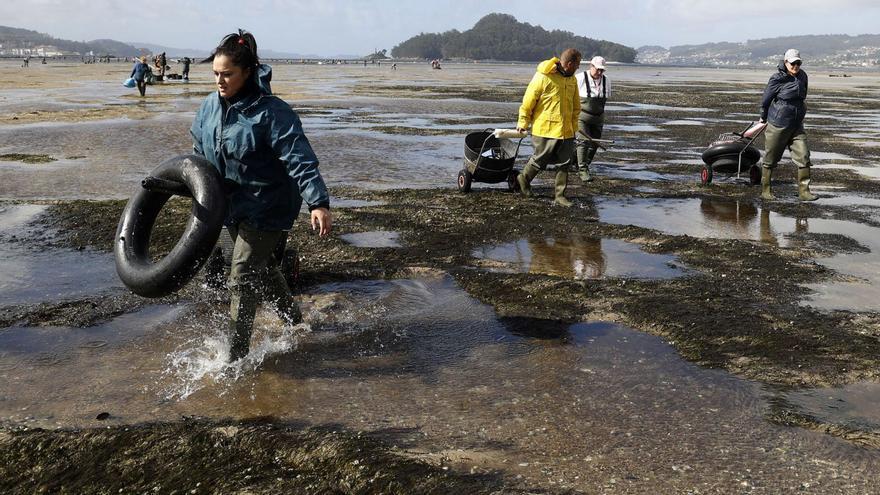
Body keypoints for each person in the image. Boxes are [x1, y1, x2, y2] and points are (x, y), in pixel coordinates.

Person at [190, 29, 332, 363]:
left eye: (228, 74)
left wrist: (318, 202)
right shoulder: (209, 107)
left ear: (248, 72)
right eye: (215, 74)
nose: (220, 81)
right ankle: (296, 324)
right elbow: (198, 150)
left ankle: (235, 358)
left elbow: (300, 158)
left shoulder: (271, 112)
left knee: (241, 273)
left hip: (270, 205)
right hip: (233, 205)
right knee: (264, 267)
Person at [516, 48, 581, 207]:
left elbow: (576, 106)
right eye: (577, 64)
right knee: (539, 160)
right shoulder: (543, 76)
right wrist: (523, 122)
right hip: (545, 128)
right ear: (569, 64)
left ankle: (560, 196)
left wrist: (574, 127)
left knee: (565, 162)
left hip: (566, 131)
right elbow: (528, 101)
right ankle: (523, 179)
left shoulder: (572, 79)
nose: (579, 68)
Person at [759, 48, 817, 201]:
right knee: (771, 158)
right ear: (785, 62)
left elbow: (803, 95)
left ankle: (804, 192)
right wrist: (763, 117)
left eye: (798, 63)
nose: (796, 66)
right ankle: (766, 190)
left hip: (796, 124)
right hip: (778, 123)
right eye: (793, 63)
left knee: (804, 155)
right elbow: (765, 100)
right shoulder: (777, 78)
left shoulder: (803, 76)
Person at [574, 55, 610, 183]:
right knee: (583, 142)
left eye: (602, 70)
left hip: (598, 118)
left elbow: (604, 100)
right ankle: (582, 170)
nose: (600, 72)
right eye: (598, 69)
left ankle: (581, 164)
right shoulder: (579, 78)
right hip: (581, 117)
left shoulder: (607, 81)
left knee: (594, 143)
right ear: (591, 66)